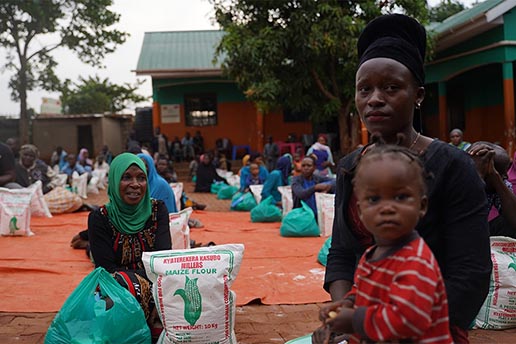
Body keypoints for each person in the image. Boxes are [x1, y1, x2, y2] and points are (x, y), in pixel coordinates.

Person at [324, 14, 491, 343]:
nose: (374, 99)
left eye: (391, 87)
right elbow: (341, 253)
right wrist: (342, 311)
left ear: (418, 95)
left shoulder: (452, 166)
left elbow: (471, 273)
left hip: (431, 327)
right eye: (364, 89)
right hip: (365, 321)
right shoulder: (349, 167)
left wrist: (402, 330)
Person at [314, 142, 452, 344]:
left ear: (422, 206)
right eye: (374, 199)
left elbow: (407, 320)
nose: (387, 207)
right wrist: (345, 305)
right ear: (360, 211)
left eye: (400, 196)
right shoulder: (371, 255)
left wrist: (353, 321)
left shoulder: (416, 262)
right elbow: (363, 292)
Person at [88, 153, 171, 335]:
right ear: (115, 179)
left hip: (156, 282)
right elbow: (106, 270)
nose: (135, 184)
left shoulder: (158, 210)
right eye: (126, 177)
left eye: (141, 178)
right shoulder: (100, 218)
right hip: (117, 286)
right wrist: (136, 282)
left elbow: (162, 261)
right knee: (108, 297)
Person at [15, 144, 84, 214]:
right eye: (25, 155)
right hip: (23, 197)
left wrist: (49, 186)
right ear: (21, 155)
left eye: (31, 156)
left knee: (74, 199)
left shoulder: (42, 166)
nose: (28, 158)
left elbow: (56, 179)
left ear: (35, 158)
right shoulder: (15, 166)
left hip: (43, 196)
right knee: (38, 205)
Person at [468, 141, 516, 237]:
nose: (506, 176)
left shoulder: (498, 180)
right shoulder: (456, 181)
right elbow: (465, 221)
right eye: (501, 172)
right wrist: (478, 177)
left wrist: (496, 177)